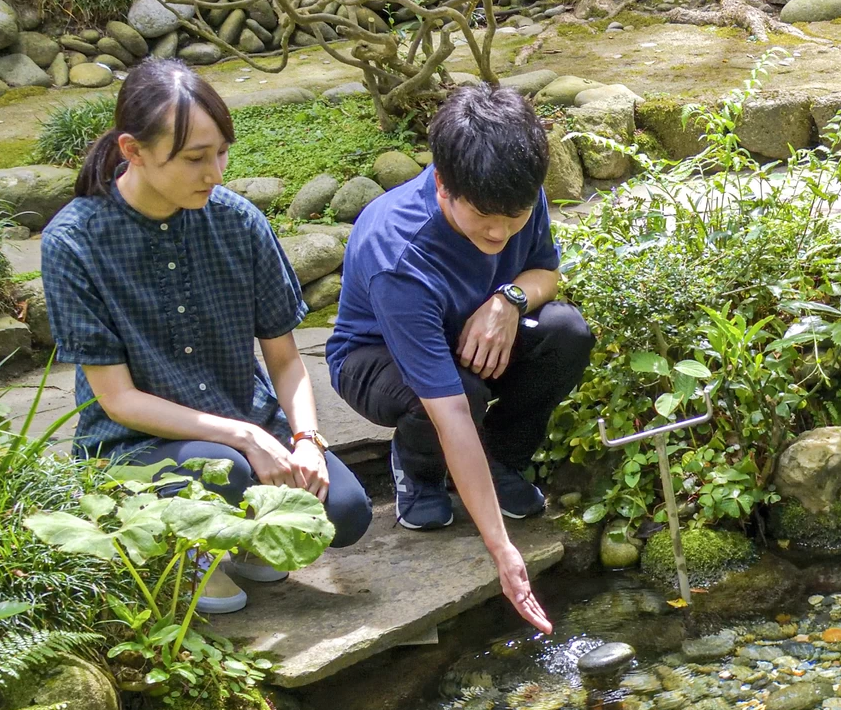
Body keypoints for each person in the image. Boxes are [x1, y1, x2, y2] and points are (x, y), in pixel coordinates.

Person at [40, 57, 374, 618]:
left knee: (344, 512)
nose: (215, 172)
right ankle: (183, 552)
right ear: (133, 151)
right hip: (136, 443)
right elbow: (117, 400)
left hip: (244, 422)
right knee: (228, 469)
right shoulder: (73, 242)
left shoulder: (239, 222)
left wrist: (307, 440)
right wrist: (244, 436)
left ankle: (238, 540)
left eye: (221, 152)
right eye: (195, 158)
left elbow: (287, 363)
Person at [329, 83, 590, 636]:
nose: (499, 233)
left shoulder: (514, 190)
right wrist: (504, 552)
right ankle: (417, 472)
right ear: (445, 185)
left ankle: (498, 462)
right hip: (374, 358)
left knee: (567, 332)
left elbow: (546, 273)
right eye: (484, 218)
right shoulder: (398, 252)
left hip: (474, 336)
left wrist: (508, 300)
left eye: (514, 217)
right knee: (461, 399)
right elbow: (447, 408)